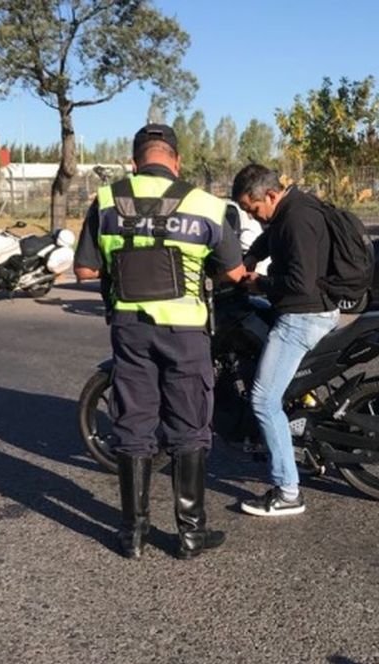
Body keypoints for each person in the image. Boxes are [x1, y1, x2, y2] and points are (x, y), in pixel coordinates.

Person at [73, 123, 245, 559]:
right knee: (189, 426)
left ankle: (132, 534)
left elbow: (85, 271)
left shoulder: (107, 200)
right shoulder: (205, 204)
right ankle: (190, 534)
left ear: (134, 162)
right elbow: (234, 273)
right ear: (176, 160)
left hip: (130, 329)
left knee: (133, 425)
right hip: (185, 331)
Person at [231, 164, 340, 517]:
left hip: (302, 316)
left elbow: (300, 283)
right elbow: (268, 237)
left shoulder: (296, 220)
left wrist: (257, 283)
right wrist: (249, 258)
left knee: (263, 399)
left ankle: (288, 491)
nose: (254, 216)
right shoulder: (290, 210)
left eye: (254, 209)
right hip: (308, 310)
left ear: (272, 195)